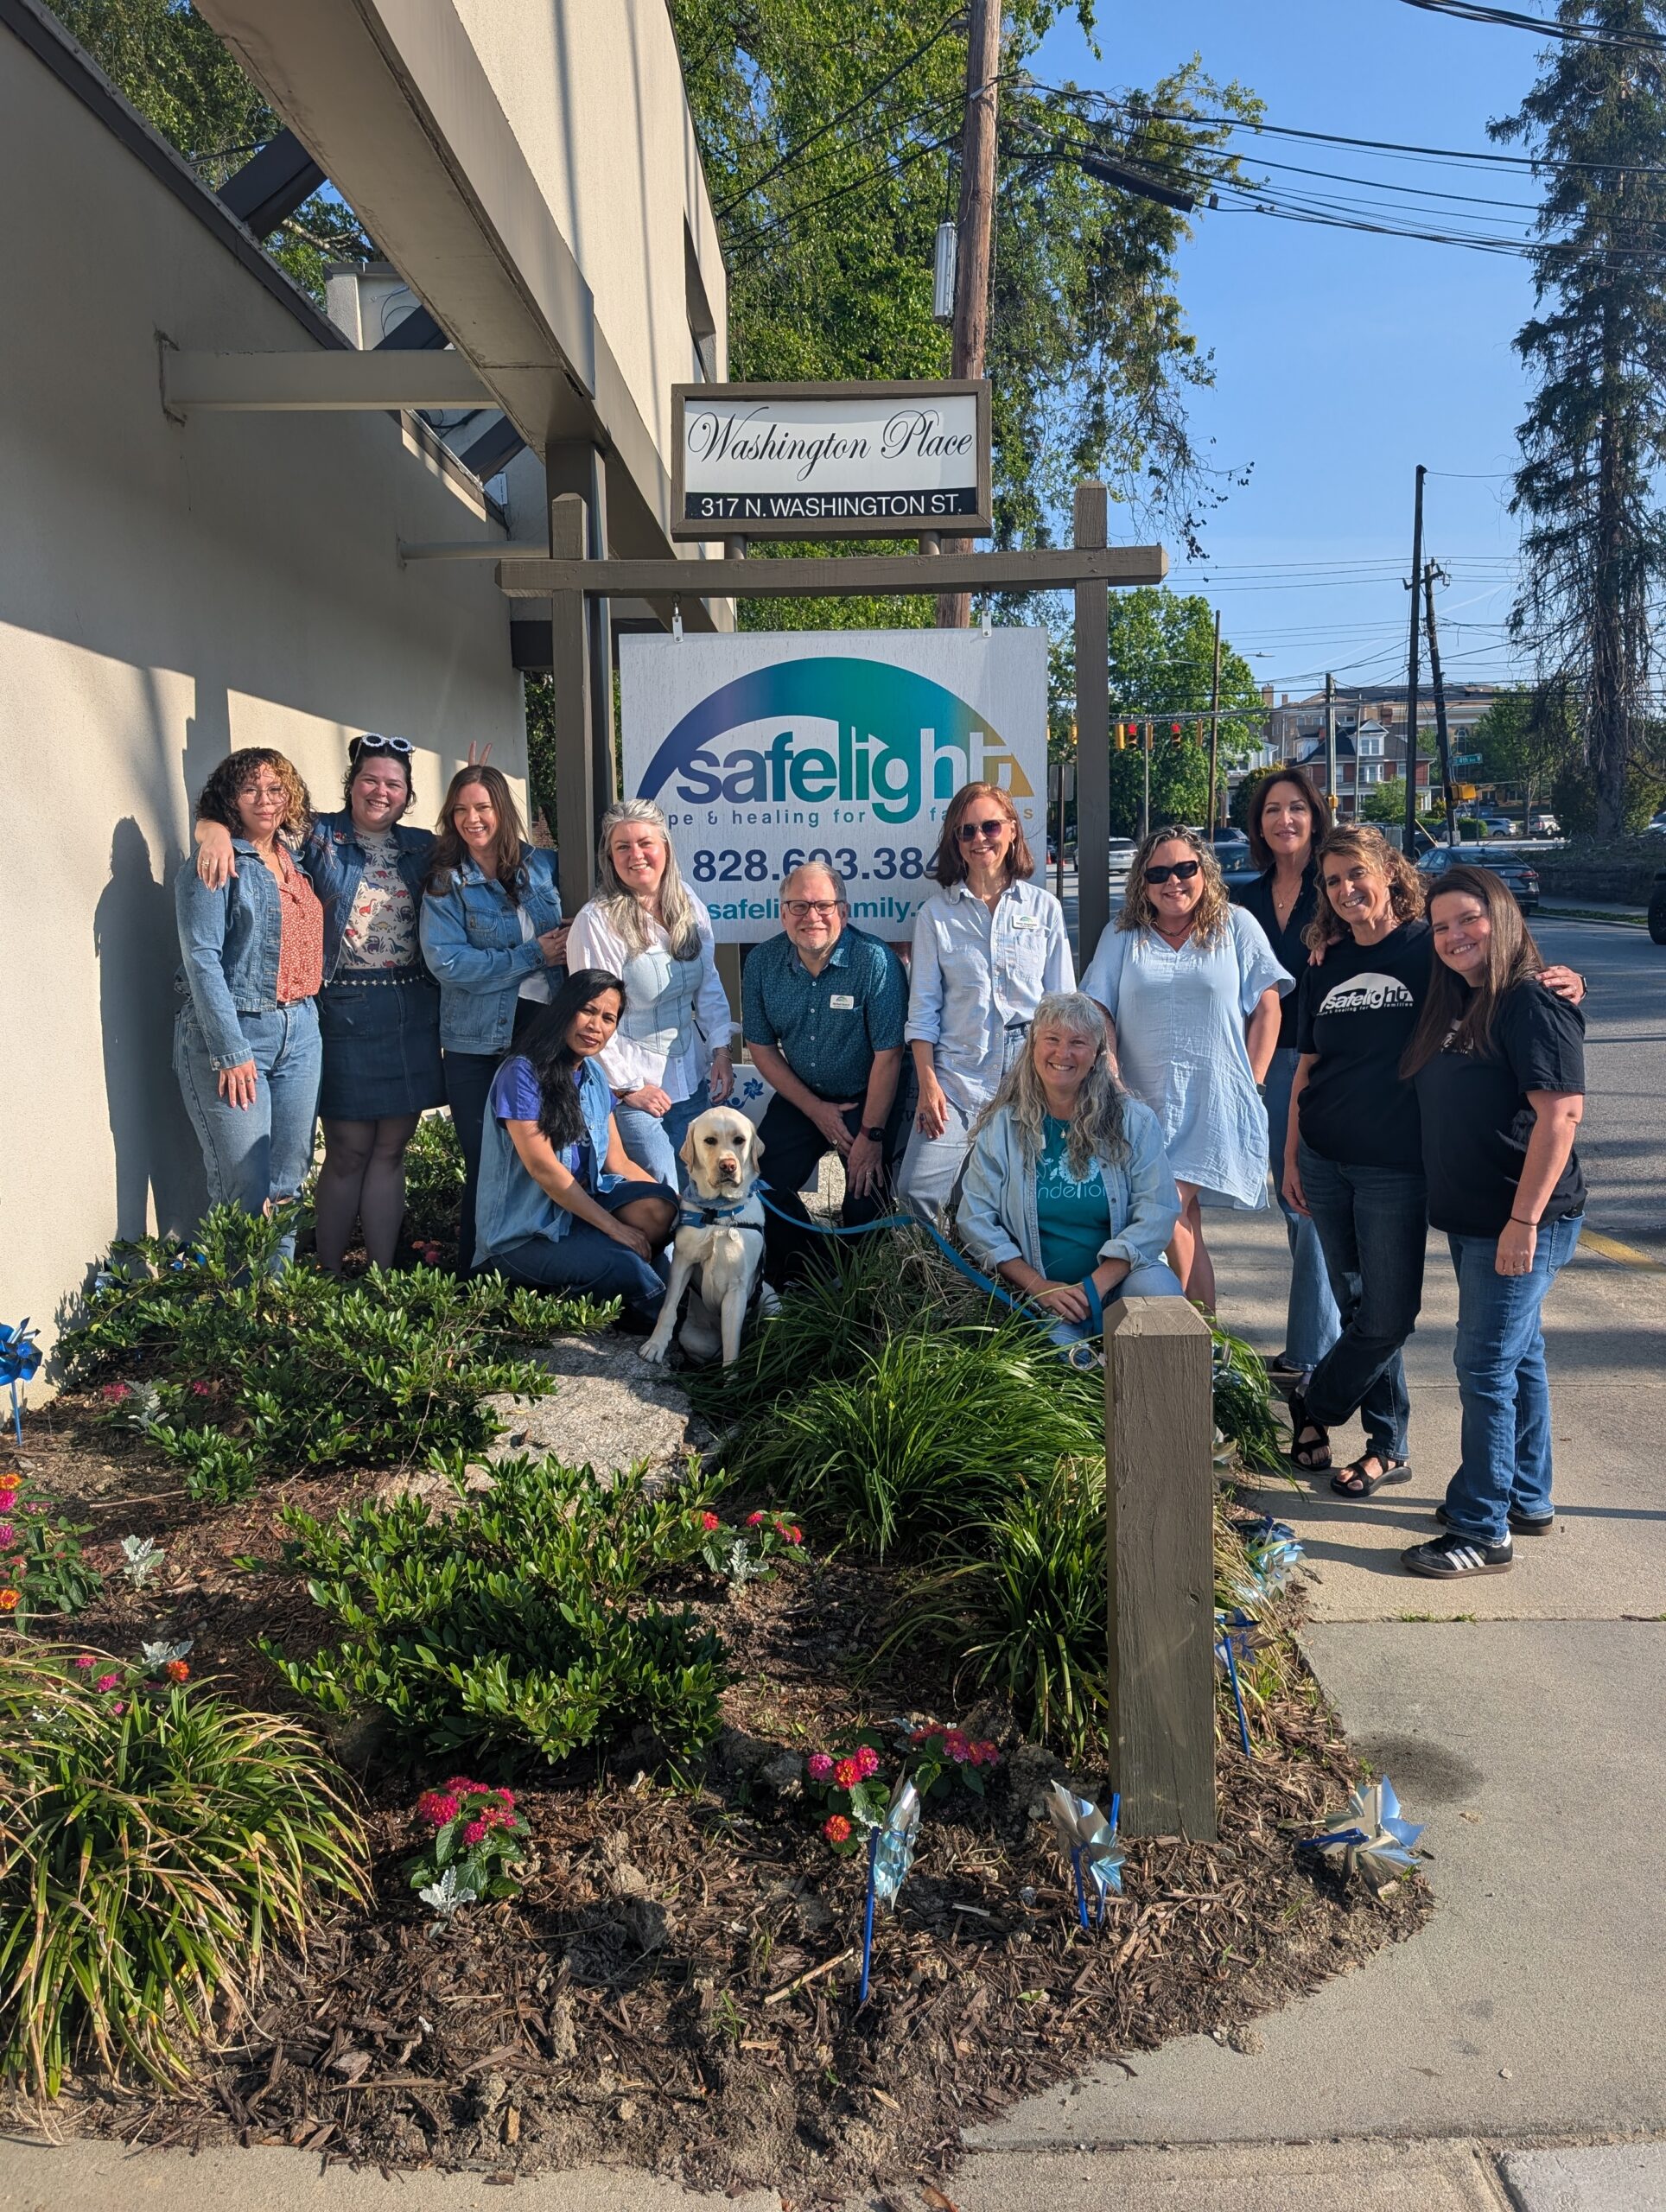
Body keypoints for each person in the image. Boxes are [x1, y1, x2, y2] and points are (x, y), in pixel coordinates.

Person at [1281, 826, 1586, 1497]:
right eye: (1332, 881)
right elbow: (1309, 1064)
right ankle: (1387, 1446)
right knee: (1357, 1304)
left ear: (1390, 872)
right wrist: (1292, 1156)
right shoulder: (1324, 958)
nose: (1346, 889)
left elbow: (1503, 974)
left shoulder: (1432, 945)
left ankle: (1316, 1399)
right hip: (1326, 1156)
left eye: (1356, 873)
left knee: (1387, 1315)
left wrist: (1561, 978)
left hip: (1400, 1165)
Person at [194, 733, 443, 1273]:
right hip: (341, 1012)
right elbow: (249, 827)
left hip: (410, 1013)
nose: (381, 791)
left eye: (393, 784)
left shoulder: (423, 848)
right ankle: (326, 1277)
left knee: (391, 1152)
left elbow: (490, 852)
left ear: (408, 795)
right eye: (370, 780)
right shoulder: (318, 837)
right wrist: (209, 830)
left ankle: (381, 1278)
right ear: (351, 785)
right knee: (348, 1150)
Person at [1397, 867, 1586, 1579]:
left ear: (1501, 916)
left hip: (1519, 1220)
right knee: (1519, 1357)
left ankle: (1483, 1528)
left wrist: (1522, 1222)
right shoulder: (1462, 996)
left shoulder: (1531, 1002)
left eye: (1468, 919)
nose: (1453, 937)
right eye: (1442, 926)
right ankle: (1526, 1498)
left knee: (1483, 1367)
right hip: (1476, 1218)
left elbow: (1561, 1117)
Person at [1081, 823, 1289, 1309]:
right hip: (1141, 1102)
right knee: (1179, 1216)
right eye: (1158, 873)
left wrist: (1252, 1083)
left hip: (1214, 1101)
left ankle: (1199, 1339)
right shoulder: (1122, 934)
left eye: (1184, 869)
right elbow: (1098, 1008)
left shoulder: (1236, 925)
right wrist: (1110, 1070)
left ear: (1204, 872)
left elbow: (1268, 1005)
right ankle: (1206, 1347)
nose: (1172, 881)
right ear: (1142, 882)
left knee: (1167, 1208)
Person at [956, 992, 1183, 1351]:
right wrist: (1040, 1288)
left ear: (1096, 1056)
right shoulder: (1003, 1127)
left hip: (1123, 1280)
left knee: (1160, 1314)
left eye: (1078, 1043)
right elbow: (975, 1219)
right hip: (1043, 1294)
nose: (1063, 1054)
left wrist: (1093, 1287)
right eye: (1052, 1040)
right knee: (1066, 1366)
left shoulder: (1134, 1122)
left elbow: (1158, 1211)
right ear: (1032, 1048)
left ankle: (1175, 1400)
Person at [173, 747, 323, 1266]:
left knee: (287, 1182)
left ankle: (274, 1306)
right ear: (229, 799)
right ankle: (238, 1323)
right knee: (244, 1186)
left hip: (302, 1031)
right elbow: (201, 959)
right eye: (251, 789)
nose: (266, 800)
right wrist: (230, 1049)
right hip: (237, 1033)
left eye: (276, 789)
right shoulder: (218, 859)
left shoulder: (293, 854)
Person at [899, 780, 1072, 1223]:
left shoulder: (1044, 909)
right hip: (957, 1074)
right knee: (917, 1188)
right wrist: (928, 1084)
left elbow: (1062, 1006)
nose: (979, 839)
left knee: (1027, 1194)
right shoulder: (936, 915)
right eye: (966, 831)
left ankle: (1009, 1287)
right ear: (955, 843)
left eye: (990, 827)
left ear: (1012, 830)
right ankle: (935, 1281)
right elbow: (922, 1011)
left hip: (1029, 1072)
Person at [419, 765, 567, 1270]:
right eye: (461, 809)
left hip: (542, 1033)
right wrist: (532, 955)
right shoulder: (446, 882)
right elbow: (449, 963)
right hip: (475, 1041)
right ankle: (475, 1275)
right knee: (486, 1163)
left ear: (503, 809)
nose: (472, 819)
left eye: (482, 807)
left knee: (539, 1159)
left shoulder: (544, 867)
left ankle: (533, 1271)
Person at [472, 967, 677, 1325]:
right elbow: (544, 1170)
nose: (596, 1025)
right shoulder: (521, 1074)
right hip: (523, 1234)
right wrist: (616, 1229)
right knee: (624, 1260)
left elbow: (619, 1163)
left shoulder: (595, 1075)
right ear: (564, 1009)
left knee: (659, 1209)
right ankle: (673, 1321)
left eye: (608, 1018)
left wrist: (684, 1209)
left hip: (577, 1217)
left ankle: (653, 1294)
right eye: (588, 1010)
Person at [741, 861, 909, 1286]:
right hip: (802, 1098)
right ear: (782, 913)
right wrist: (816, 1110)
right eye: (798, 906)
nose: (811, 916)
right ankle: (795, 1280)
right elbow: (760, 1047)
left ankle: (860, 1290)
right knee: (766, 1185)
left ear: (844, 912)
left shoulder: (876, 962)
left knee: (860, 1199)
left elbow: (888, 1055)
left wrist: (871, 1136)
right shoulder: (762, 963)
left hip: (865, 1099)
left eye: (823, 905)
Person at [1229, 766, 1342, 1388]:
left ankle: (1311, 1353)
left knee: (1308, 1205)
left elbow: (1412, 933)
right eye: (1273, 810)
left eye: (1296, 808)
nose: (1285, 820)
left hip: (1325, 1064)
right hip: (1261, 1062)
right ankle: (1320, 1343)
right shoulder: (1243, 897)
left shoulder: (1337, 888)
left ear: (1315, 814)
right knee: (1292, 1201)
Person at [563, 799, 734, 1185]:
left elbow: (708, 983)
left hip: (689, 1078)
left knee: (702, 1186)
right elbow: (590, 1017)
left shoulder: (688, 903)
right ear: (609, 857)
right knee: (661, 1190)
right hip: (633, 1089)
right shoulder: (597, 921)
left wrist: (721, 1051)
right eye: (622, 846)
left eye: (645, 843)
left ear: (666, 848)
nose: (635, 855)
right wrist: (627, 1088)